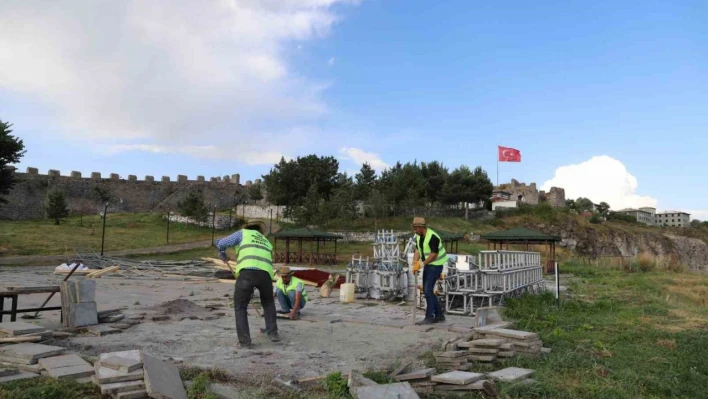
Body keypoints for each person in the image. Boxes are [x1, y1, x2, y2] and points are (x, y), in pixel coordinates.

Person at [215, 220, 279, 347]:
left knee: (240, 307)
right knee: (268, 303)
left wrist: (222, 252)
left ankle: (245, 341)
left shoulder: (242, 233)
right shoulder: (266, 241)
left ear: (248, 227)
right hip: (266, 274)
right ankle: (273, 333)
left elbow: (221, 243)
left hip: (247, 273)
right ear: (260, 231)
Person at [411, 217, 448, 325]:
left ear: (421, 227)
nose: (414, 231)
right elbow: (418, 250)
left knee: (427, 291)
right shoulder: (419, 236)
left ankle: (429, 317)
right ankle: (440, 316)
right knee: (428, 291)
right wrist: (414, 264)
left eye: (415, 228)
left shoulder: (432, 236)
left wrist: (422, 264)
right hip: (428, 265)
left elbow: (434, 254)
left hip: (436, 265)